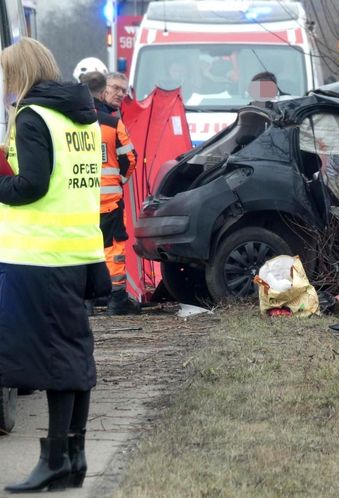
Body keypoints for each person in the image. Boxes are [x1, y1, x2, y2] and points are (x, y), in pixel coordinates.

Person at [0, 39, 108, 492]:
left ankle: (57, 460)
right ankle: (72, 459)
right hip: (78, 250)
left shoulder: (31, 116)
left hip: (40, 256)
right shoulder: (80, 115)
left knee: (55, 362)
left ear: (20, 72)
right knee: (74, 356)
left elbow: (32, 186)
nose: (5, 83)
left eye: (7, 74)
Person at [80, 71, 140, 315]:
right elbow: (130, 159)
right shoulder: (112, 124)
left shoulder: (71, 122)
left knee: (83, 246)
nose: (120, 94)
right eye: (116, 88)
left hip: (79, 200)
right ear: (102, 89)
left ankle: (85, 302)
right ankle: (116, 300)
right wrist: (118, 181)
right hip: (109, 202)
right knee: (113, 249)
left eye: (124, 91)